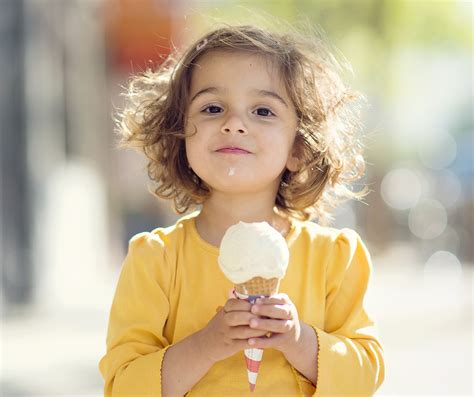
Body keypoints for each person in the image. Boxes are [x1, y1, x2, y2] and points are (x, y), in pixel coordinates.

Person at [99, 24, 385, 396]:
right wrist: (206, 345)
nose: (234, 124)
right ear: (179, 135)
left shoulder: (335, 258)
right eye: (212, 108)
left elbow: (365, 376)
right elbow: (123, 386)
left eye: (263, 111)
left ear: (298, 148)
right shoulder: (156, 259)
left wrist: (299, 341)